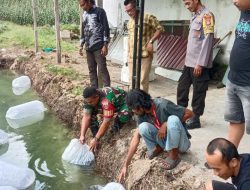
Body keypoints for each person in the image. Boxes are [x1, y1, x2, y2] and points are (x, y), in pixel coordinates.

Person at [118, 89, 193, 182]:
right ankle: (158, 148)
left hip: (181, 144)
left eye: (133, 109)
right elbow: (135, 138)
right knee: (142, 127)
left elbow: (190, 113)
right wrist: (126, 165)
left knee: (172, 120)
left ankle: (174, 156)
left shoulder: (163, 105)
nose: (133, 112)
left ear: (139, 106)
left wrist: (166, 124)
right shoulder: (142, 115)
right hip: (164, 140)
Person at [177, 0, 215, 129]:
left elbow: (208, 41)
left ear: (196, 0)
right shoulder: (194, 16)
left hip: (199, 64)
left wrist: (200, 63)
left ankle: (195, 118)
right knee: (182, 88)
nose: (186, 6)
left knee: (199, 91)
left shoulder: (207, 16)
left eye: (188, 3)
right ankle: (181, 114)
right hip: (189, 62)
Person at [225, 0, 250, 148]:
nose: (234, 1)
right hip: (233, 80)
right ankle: (227, 158)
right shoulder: (244, 11)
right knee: (235, 120)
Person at [124, 0, 164, 93]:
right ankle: (132, 103)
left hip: (144, 55)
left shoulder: (147, 17)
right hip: (132, 56)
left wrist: (151, 41)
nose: (129, 13)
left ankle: (142, 104)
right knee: (131, 81)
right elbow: (130, 39)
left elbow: (160, 29)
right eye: (127, 11)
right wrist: (128, 54)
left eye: (130, 10)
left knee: (142, 81)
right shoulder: (129, 22)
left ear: (136, 7)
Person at [80, 86, 131, 152]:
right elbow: (86, 116)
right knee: (91, 115)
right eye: (88, 102)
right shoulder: (88, 99)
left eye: (90, 102)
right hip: (109, 105)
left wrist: (96, 139)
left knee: (124, 115)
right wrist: (82, 135)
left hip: (123, 103)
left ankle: (115, 127)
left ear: (96, 97)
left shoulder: (106, 100)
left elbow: (106, 121)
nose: (89, 103)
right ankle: (95, 135)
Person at [79, 0, 111, 88]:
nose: (82, 7)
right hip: (88, 47)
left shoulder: (100, 11)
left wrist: (105, 44)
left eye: (83, 5)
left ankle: (108, 90)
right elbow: (83, 29)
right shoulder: (84, 14)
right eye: (81, 6)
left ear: (88, 2)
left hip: (99, 46)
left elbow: (106, 28)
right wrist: (81, 44)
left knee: (102, 69)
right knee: (91, 70)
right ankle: (94, 90)